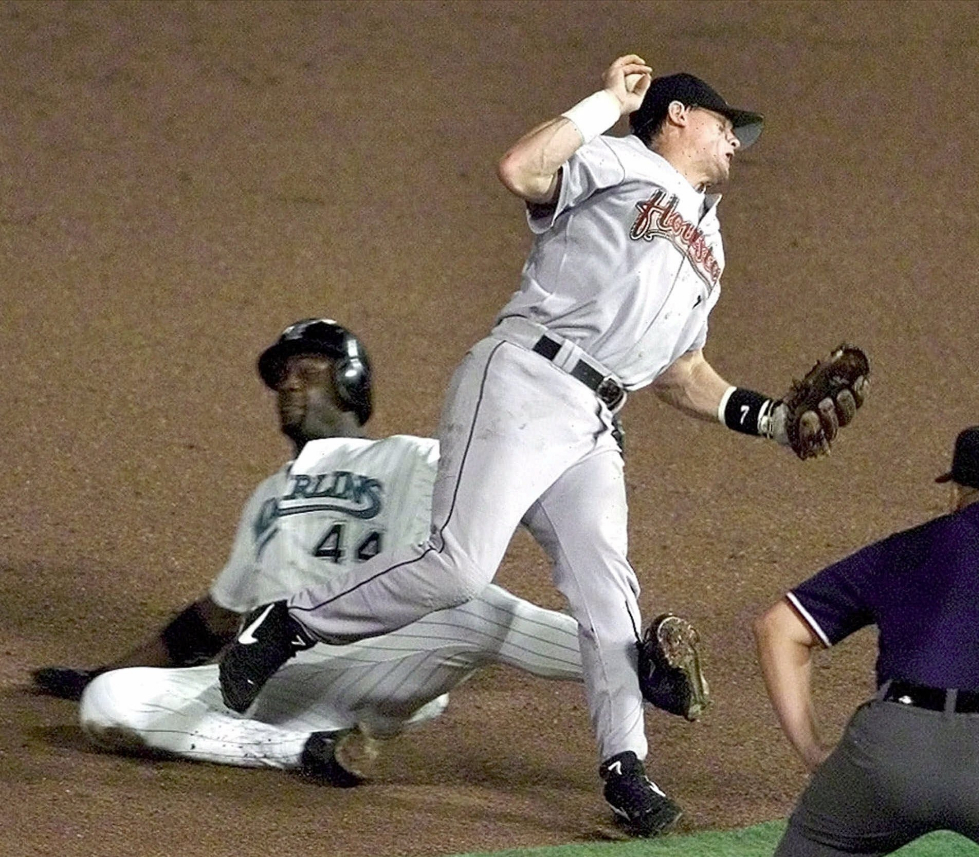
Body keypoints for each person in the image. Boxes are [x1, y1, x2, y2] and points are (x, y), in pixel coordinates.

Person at [218, 54, 862, 837]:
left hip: (595, 421)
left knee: (607, 595)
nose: (737, 141)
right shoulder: (621, 158)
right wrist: (604, 103)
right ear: (679, 118)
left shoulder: (711, 248)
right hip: (526, 373)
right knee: (458, 564)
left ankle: (626, 768)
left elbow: (682, 372)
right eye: (727, 124)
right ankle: (287, 623)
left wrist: (768, 417)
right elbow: (521, 168)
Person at [33, 318, 609, 784]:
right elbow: (216, 617)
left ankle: (637, 659)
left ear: (351, 384)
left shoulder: (413, 458)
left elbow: (490, 497)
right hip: (279, 679)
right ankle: (310, 753)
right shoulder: (269, 493)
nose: (288, 384)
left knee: (472, 600)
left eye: (307, 370)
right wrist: (101, 672)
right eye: (282, 376)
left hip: (388, 653)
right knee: (110, 702)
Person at [754, 424, 979, 856]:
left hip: (890, 753)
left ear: (956, 491)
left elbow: (779, 627)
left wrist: (814, 752)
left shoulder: (904, 549)